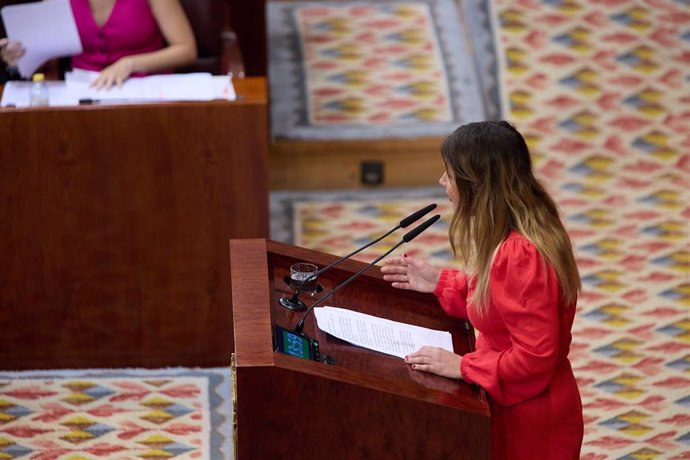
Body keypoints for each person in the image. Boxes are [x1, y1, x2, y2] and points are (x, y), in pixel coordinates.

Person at [381, 120, 584, 459]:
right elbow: (504, 301)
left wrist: (463, 367)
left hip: (530, 421)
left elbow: (535, 358)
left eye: (449, 174)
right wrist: (441, 283)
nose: (442, 181)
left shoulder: (520, 254)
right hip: (519, 403)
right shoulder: (527, 221)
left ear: (476, 184)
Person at [0, 0, 196, 89]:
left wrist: (130, 63)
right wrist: (16, 57)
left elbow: (186, 49)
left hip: (148, 89)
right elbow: (41, 58)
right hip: (83, 91)